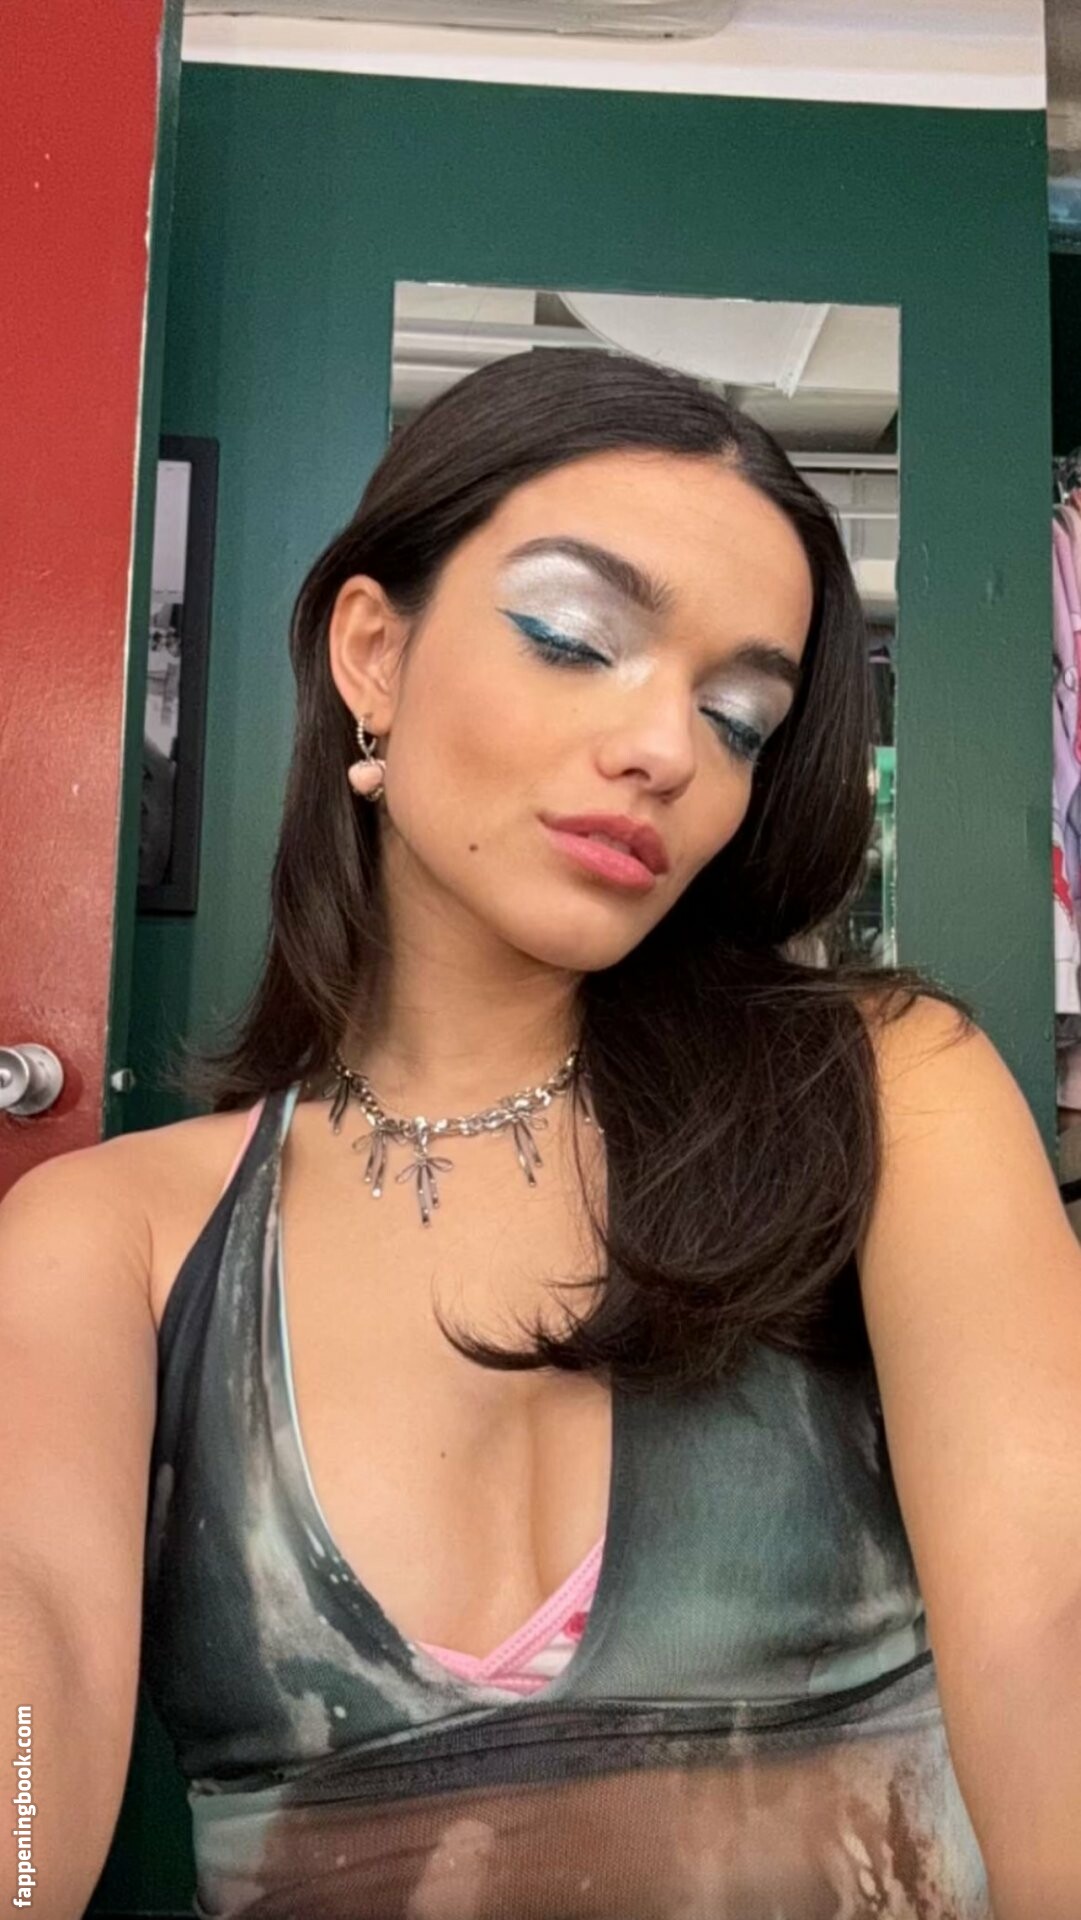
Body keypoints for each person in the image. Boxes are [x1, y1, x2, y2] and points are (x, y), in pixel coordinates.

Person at [4, 347, 1080, 1920]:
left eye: (737, 718)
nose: (667, 749)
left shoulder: (881, 1093)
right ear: (373, 654)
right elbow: (29, 1670)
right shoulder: (112, 1238)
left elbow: (1050, 1622)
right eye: (576, 639)